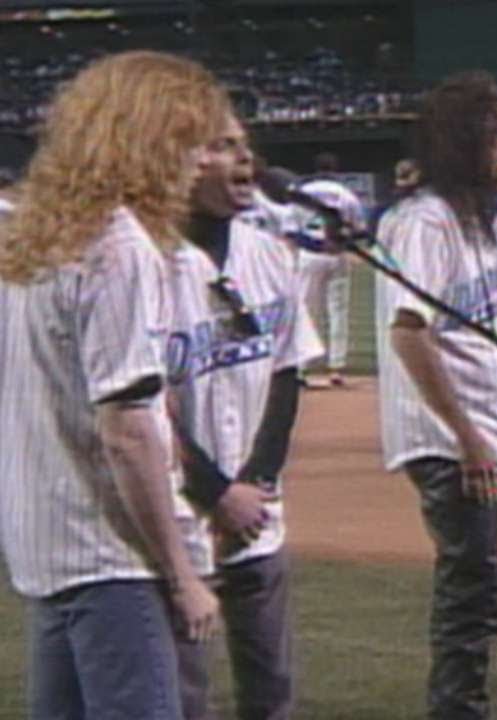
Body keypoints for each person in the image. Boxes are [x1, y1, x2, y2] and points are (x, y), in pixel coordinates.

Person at [0, 50, 227, 719]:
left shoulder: (29, 234)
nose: (197, 165)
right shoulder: (118, 244)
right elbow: (126, 431)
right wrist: (182, 574)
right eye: (189, 145)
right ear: (148, 142)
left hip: (45, 550)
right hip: (113, 559)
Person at [374, 70, 497, 720]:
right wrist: (469, 440)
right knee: (469, 596)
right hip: (453, 443)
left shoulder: (471, 218)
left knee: (480, 594)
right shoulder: (428, 222)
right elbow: (410, 335)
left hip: (481, 434)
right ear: (468, 138)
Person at [167, 110, 322, 720]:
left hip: (258, 517)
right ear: (182, 161)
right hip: (180, 520)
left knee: (273, 693)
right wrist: (215, 494)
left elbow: (288, 369)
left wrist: (256, 481)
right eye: (224, 147)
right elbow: (142, 406)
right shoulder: (146, 261)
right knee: (182, 698)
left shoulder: (267, 253)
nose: (245, 161)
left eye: (245, 147)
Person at [297, 151, 366, 387]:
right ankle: (336, 368)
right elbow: (359, 229)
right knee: (338, 311)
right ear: (335, 171)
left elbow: (292, 228)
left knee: (307, 311)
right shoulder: (346, 194)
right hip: (337, 256)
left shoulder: (303, 193)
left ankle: (302, 369)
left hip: (309, 255)